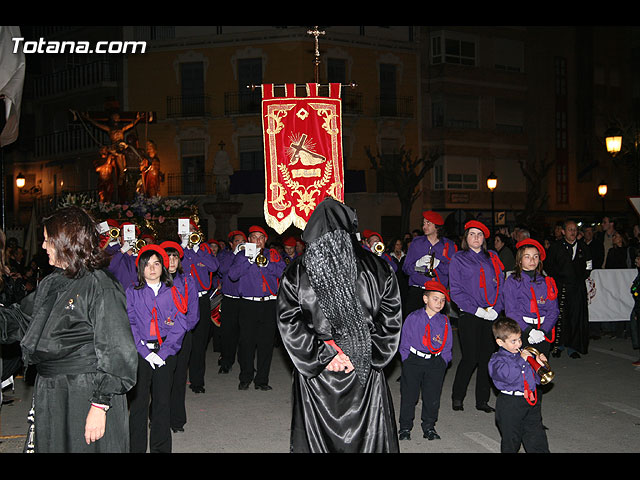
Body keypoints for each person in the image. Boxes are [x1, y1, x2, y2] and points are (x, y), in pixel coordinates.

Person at [0, 206, 137, 452]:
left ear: (65, 242)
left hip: (86, 390)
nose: (43, 247)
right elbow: (21, 319)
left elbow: (119, 351)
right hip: (52, 390)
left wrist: (99, 406)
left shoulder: (100, 284)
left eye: (47, 240)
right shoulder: (52, 282)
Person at [277, 197, 403, 453]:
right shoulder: (379, 268)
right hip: (353, 368)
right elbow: (391, 320)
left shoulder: (297, 271)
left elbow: (289, 321)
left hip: (338, 368)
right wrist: (358, 353)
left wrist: (326, 354)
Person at [126, 244, 189, 453]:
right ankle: (136, 448)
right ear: (140, 268)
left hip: (165, 352)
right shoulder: (132, 292)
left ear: (162, 267)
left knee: (162, 403)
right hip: (141, 352)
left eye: (156, 263)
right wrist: (144, 352)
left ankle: (161, 449)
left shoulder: (174, 291)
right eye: (147, 264)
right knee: (138, 405)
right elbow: (130, 323)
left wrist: (163, 353)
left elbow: (180, 324)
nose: (152, 268)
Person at [449, 219, 505, 413]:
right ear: (466, 237)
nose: (476, 238)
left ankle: (482, 400)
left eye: (479, 234)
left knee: (487, 358)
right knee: (470, 357)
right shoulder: (458, 258)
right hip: (470, 313)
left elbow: (501, 285)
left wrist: (497, 308)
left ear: (484, 239)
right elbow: (455, 290)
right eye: (472, 234)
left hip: (491, 313)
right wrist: (476, 310)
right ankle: (458, 396)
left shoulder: (493, 257)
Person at [228, 225, 285, 390]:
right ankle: (245, 376)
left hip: (269, 303)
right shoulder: (241, 255)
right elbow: (232, 275)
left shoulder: (273, 255)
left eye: (261, 237)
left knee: (266, 343)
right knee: (246, 342)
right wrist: (248, 260)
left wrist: (267, 264)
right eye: (254, 237)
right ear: (249, 240)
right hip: (248, 303)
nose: (258, 241)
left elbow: (283, 272)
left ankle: (262, 380)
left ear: (265, 240)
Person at [398, 281, 452, 442]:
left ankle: (429, 426)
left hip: (435, 362)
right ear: (425, 299)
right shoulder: (413, 318)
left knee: (432, 396)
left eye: (442, 300)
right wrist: (406, 359)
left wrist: (443, 361)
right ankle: (405, 427)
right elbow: (404, 341)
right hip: (414, 361)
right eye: (435, 299)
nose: (440, 303)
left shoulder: (444, 321)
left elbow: (448, 344)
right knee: (409, 396)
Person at [488, 317, 550, 453]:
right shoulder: (497, 360)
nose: (518, 344)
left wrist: (539, 366)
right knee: (511, 440)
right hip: (510, 404)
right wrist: (522, 361)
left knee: (536, 437)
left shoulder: (523, 356)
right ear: (500, 342)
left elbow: (535, 380)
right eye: (513, 341)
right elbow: (508, 376)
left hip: (530, 401)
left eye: (519, 339)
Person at [160, 241, 200, 434]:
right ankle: (159, 417)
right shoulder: (155, 280)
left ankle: (177, 420)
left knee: (179, 378)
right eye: (168, 257)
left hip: (182, 336)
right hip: (161, 338)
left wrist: (182, 330)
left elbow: (193, 311)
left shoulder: (187, 281)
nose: (172, 261)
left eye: (175, 257)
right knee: (161, 380)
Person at [504, 238, 559, 358]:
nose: (532, 260)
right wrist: (530, 331)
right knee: (524, 370)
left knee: (542, 367)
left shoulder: (547, 281)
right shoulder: (512, 282)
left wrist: (543, 331)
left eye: (535, 256)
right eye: (527, 257)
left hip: (543, 329)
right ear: (519, 260)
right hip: (522, 330)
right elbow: (511, 311)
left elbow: (553, 310)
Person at [545, 219, 592, 358]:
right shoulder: (555, 247)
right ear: (563, 231)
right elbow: (548, 266)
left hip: (577, 288)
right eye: (570, 229)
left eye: (574, 230)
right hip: (561, 288)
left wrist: (581, 277)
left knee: (576, 317)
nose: (573, 232)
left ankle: (573, 347)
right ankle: (558, 345)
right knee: (560, 317)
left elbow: (589, 265)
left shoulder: (583, 247)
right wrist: (558, 280)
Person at [181, 223, 220, 394]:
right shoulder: (178, 250)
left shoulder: (203, 249)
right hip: (182, 301)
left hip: (201, 299)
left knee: (200, 342)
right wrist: (183, 247)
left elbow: (214, 266)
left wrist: (196, 251)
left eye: (193, 230)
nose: (190, 233)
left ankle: (197, 381)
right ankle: (178, 380)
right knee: (180, 342)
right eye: (187, 230)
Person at [403, 211, 457, 315]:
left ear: (437, 226)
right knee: (414, 326)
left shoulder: (448, 245)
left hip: (438, 293)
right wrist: (418, 265)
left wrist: (439, 265)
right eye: (423, 223)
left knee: (436, 328)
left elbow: (452, 270)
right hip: (417, 292)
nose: (424, 226)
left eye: (428, 223)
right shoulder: (416, 243)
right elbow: (406, 268)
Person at [217, 230, 247, 374]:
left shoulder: (249, 256)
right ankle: (226, 362)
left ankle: (245, 364)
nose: (240, 244)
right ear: (231, 244)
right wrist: (236, 254)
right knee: (228, 333)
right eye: (237, 241)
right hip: (229, 299)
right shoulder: (225, 256)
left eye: (243, 241)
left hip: (245, 301)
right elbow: (222, 269)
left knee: (245, 335)